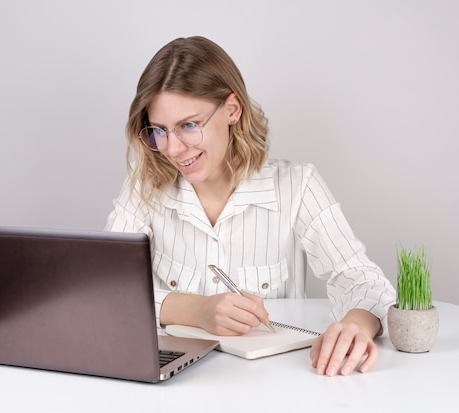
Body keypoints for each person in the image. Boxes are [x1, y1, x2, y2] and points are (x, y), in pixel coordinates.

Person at [105, 36, 396, 376]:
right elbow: (108, 290)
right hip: (170, 384)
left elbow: (365, 282)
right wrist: (196, 311)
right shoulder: (145, 186)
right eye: (160, 130)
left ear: (232, 109)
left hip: (273, 382)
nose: (173, 149)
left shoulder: (297, 186)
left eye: (188, 126)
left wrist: (356, 326)